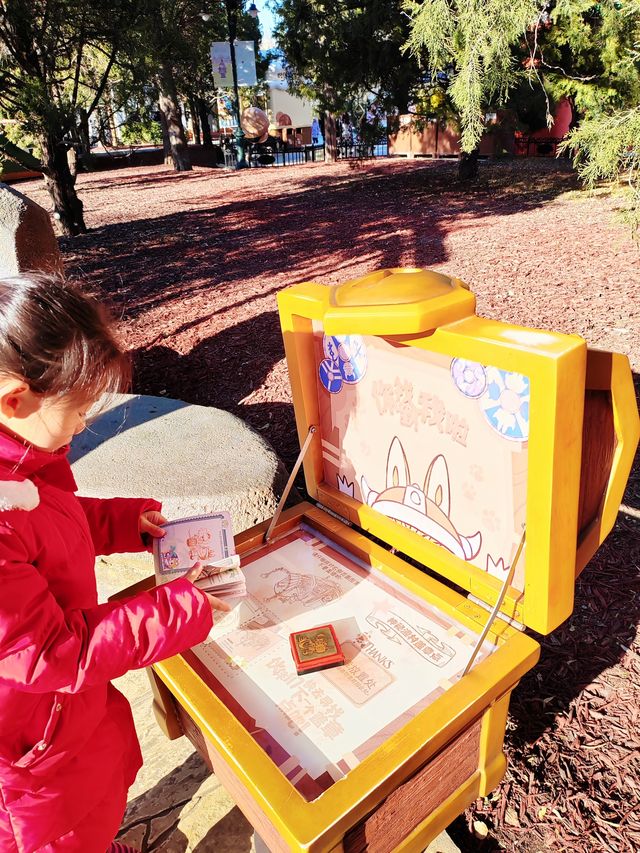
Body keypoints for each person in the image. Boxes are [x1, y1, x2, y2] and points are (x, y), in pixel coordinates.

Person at [0, 272, 231, 852]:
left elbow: (54, 523)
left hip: (61, 719)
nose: (84, 425)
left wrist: (123, 523)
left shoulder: (24, 460)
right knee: (64, 830)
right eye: (79, 409)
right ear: (14, 396)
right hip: (32, 753)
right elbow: (54, 652)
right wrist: (181, 607)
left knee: (97, 800)